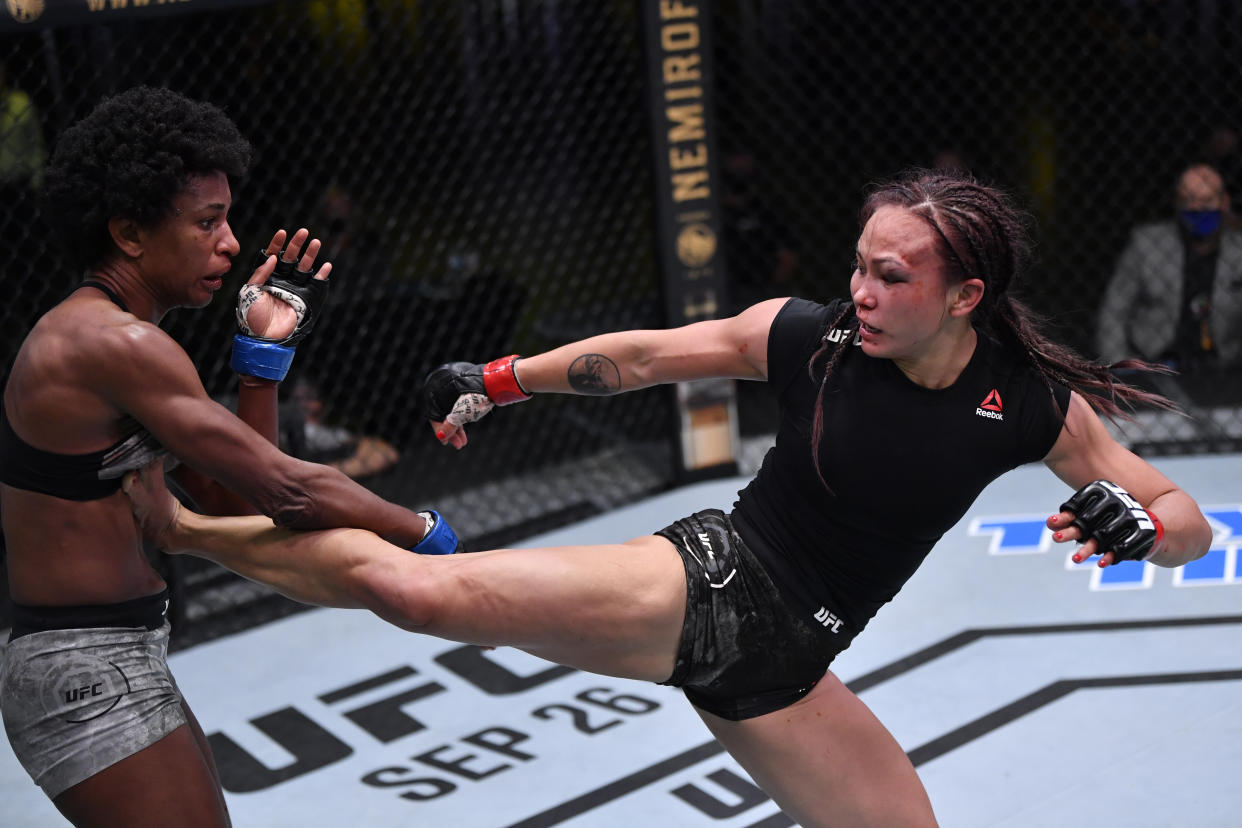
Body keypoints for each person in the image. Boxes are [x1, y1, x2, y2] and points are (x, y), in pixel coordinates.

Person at [121, 168, 1213, 828]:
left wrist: (1139, 526)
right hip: (716, 583)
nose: (864, 293)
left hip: (787, 672)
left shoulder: (1029, 407)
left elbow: (1183, 523)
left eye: (894, 278)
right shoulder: (813, 337)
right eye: (861, 266)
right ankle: (183, 526)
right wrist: (500, 381)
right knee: (417, 594)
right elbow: (644, 355)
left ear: (966, 296)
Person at [0, 86, 459, 828]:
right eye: (208, 222)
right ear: (130, 234)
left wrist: (260, 365)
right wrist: (427, 534)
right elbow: (289, 491)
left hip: (115, 652)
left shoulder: (121, 340)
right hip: (85, 667)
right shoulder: (114, 344)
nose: (231, 243)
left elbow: (235, 500)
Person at [1096, 163, 1242, 373]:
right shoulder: (1146, 245)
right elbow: (1113, 311)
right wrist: (1121, 365)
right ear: (1177, 203)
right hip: (1155, 364)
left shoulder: (1238, 252)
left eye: (1207, 200)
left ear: (1224, 202)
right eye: (1189, 200)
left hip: (1223, 368)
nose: (1198, 208)